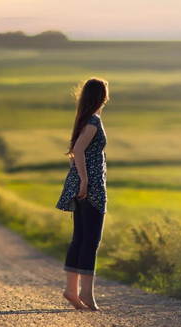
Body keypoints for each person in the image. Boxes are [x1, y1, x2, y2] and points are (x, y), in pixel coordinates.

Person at [56, 77, 109, 311]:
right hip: (93, 187)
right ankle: (86, 294)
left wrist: (76, 179)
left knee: (79, 238)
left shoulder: (83, 120)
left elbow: (73, 154)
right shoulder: (93, 122)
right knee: (91, 241)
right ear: (101, 97)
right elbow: (77, 150)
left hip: (81, 184)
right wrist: (85, 181)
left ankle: (72, 289)